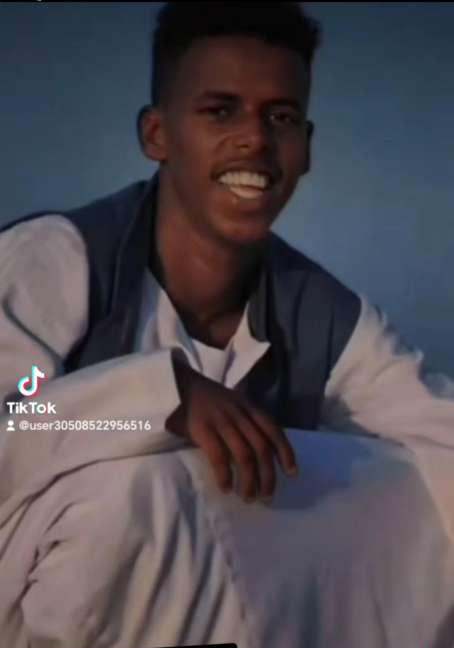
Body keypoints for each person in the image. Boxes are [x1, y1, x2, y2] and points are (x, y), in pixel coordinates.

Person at [1, 0, 454, 514]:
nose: (255, 139)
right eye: (220, 111)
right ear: (157, 134)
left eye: (281, 117)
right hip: (36, 562)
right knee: (135, 488)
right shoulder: (60, 261)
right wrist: (158, 398)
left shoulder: (325, 319)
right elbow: (18, 410)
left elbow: (439, 430)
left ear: (306, 147)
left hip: (214, 568)